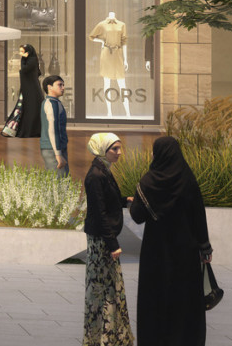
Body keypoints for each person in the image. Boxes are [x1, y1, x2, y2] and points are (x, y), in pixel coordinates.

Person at [132, 135, 211, 344]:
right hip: (185, 250)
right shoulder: (187, 178)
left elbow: (137, 215)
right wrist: (205, 247)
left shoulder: (149, 181)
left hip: (155, 251)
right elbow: (198, 215)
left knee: (156, 296)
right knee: (184, 298)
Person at [80, 133, 135, 346]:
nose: (119, 153)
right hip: (101, 240)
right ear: (103, 150)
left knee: (109, 286)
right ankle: (101, 337)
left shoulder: (103, 170)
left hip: (104, 238)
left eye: (120, 148)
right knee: (102, 287)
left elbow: (106, 201)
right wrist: (113, 243)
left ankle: (111, 335)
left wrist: (124, 200)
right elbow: (99, 211)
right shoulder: (96, 175)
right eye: (115, 149)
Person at [40, 74, 70, 176]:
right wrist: (58, 154)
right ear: (49, 87)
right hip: (52, 149)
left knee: (62, 180)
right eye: (60, 85)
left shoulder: (55, 103)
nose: (63, 88)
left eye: (63, 85)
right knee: (59, 182)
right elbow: (52, 129)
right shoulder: (51, 104)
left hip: (56, 148)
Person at [14, 44, 44, 138]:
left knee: (33, 109)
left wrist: (23, 59)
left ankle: (32, 131)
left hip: (32, 89)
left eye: (23, 51)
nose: (21, 54)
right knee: (28, 108)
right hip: (29, 88)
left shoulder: (32, 60)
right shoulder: (29, 60)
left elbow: (24, 69)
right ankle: (28, 130)